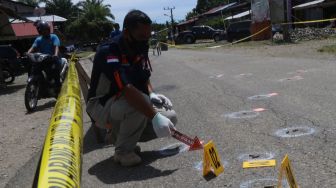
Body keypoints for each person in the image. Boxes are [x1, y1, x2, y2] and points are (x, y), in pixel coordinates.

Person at [86, 10, 177, 167]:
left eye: (148, 36)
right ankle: (123, 151)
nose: (145, 41)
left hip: (122, 102)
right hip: (101, 105)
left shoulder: (139, 46)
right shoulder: (110, 51)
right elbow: (126, 88)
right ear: (127, 32)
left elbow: (144, 76)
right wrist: (154, 116)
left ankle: (123, 138)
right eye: (142, 36)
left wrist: (152, 92)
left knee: (170, 116)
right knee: (139, 104)